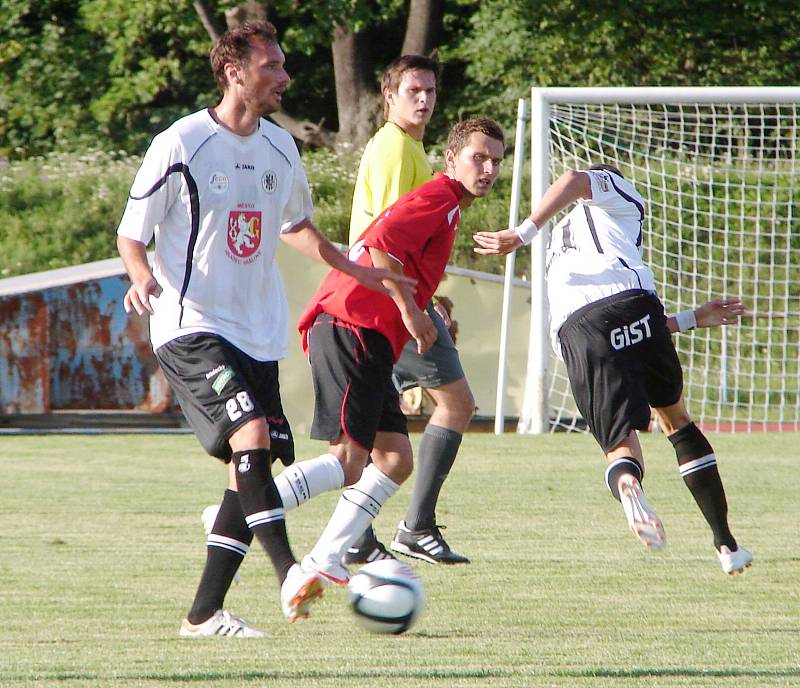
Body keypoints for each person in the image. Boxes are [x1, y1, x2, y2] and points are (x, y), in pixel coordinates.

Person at [116, 21, 415, 638]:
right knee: (250, 435)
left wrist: (356, 268)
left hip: (257, 331)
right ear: (234, 73)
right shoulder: (182, 142)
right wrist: (141, 274)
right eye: (272, 66)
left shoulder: (282, 148)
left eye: (281, 65)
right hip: (190, 323)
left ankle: (203, 615)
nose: (284, 76)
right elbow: (131, 233)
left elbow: (295, 225)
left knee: (244, 475)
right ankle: (289, 572)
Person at [473, 164, 753, 575]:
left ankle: (627, 485)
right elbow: (573, 178)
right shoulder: (620, 196)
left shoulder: (559, 245)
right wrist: (522, 233)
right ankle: (726, 544)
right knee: (677, 422)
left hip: (578, 333)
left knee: (619, 447)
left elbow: (604, 322)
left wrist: (692, 317)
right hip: (633, 304)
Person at [285, 118, 505, 584]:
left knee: (394, 458)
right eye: (478, 157)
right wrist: (410, 311)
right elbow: (379, 243)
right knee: (348, 459)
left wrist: (421, 308)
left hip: (368, 332)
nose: (488, 168)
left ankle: (327, 557)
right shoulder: (439, 196)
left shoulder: (449, 206)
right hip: (351, 324)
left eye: (496, 161)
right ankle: (245, 508)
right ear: (450, 160)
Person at [344, 54, 475, 566]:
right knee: (456, 403)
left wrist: (431, 296)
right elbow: (388, 240)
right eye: (412, 90)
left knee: (381, 442)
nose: (423, 99)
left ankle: (356, 534)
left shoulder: (406, 148)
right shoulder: (397, 148)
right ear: (389, 97)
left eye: (430, 91)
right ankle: (416, 527)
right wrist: (414, 308)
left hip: (378, 301)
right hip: (386, 302)